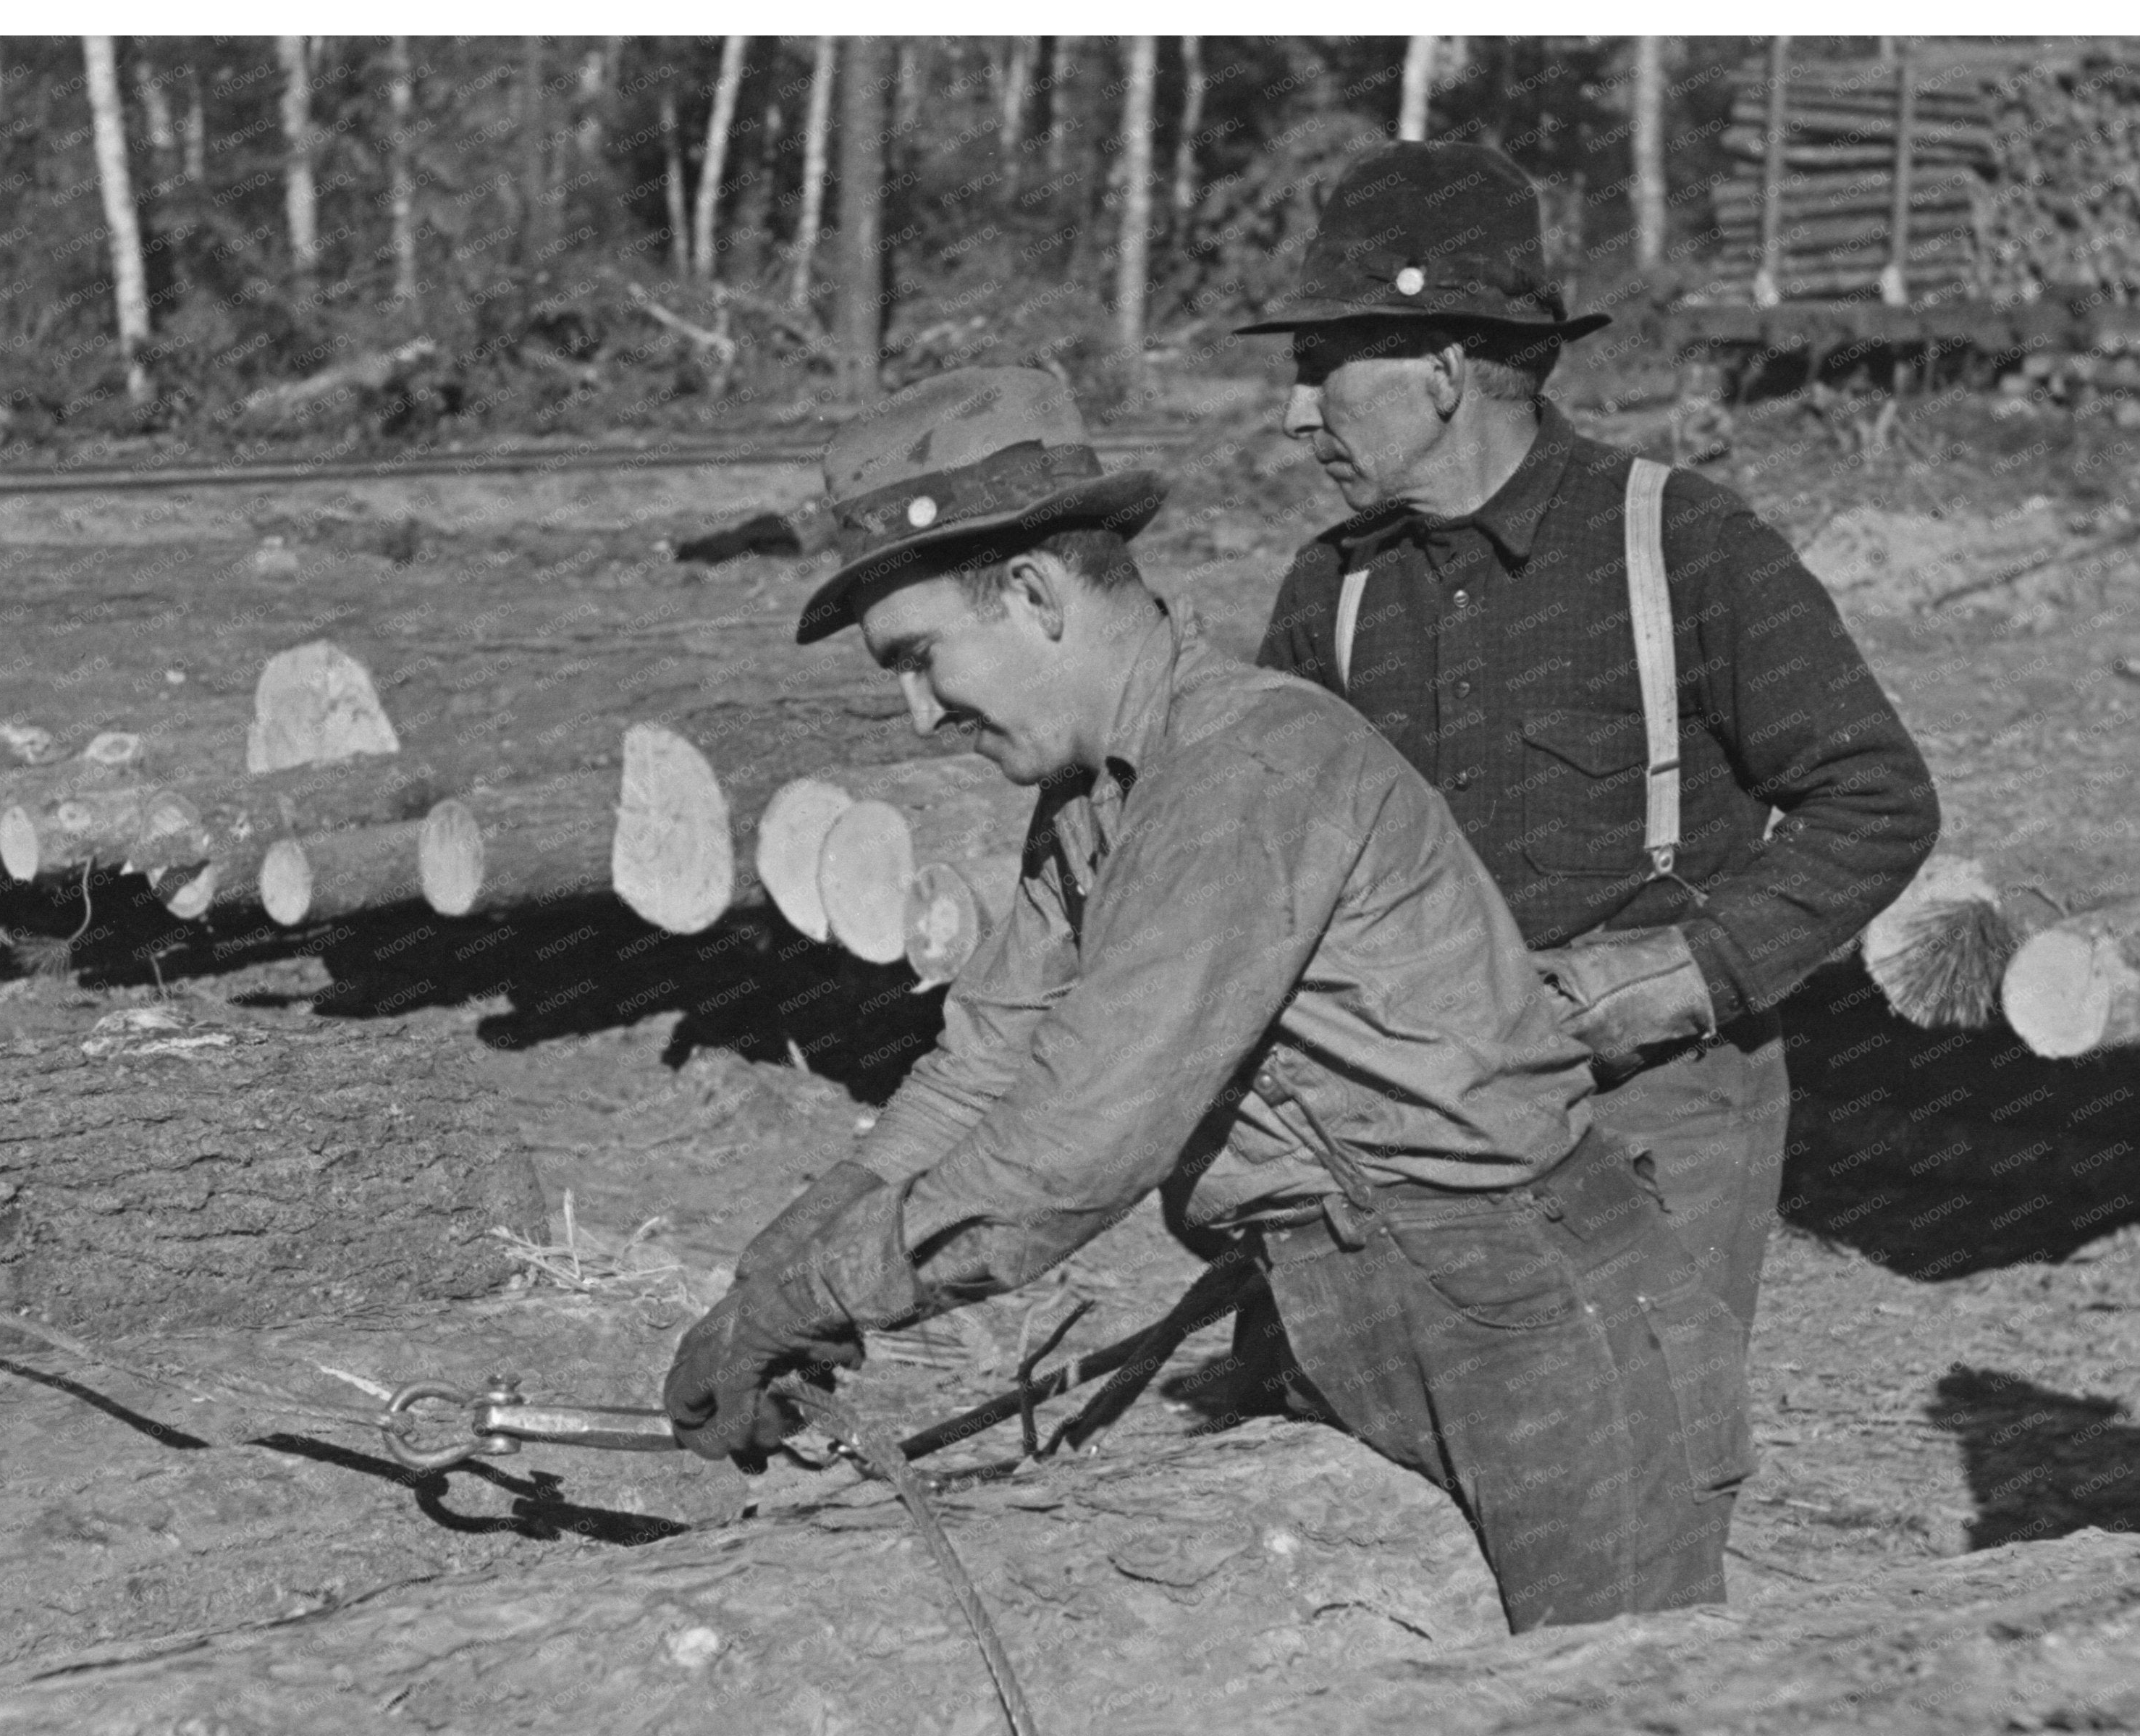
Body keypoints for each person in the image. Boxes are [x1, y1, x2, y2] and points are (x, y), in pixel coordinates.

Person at [662, 366, 1752, 1631]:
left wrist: (816, 1299)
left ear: (1032, 593)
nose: (916, 717)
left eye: (921, 660)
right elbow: (983, 1064)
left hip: (1528, 1312)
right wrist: (780, 1262)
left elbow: (1070, 1153)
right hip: (1354, 1292)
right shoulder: (1092, 802)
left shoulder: (1239, 773)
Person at [1237, 143, 1942, 1561]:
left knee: (1632, 1512)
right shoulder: (1332, 590)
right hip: (1410, 1128)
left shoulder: (1680, 541)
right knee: (1403, 1511)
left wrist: (1693, 969)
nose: (1293, 405)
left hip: (1653, 1123)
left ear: (1443, 365)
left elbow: (1876, 794)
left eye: (1325, 362)